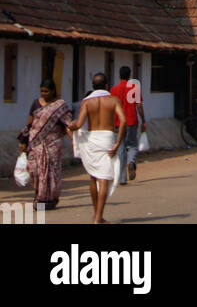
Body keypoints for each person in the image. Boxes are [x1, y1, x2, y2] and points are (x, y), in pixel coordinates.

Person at [66, 72, 126, 224]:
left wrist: (70, 128)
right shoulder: (113, 100)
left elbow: (79, 124)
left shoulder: (87, 102)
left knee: (93, 176)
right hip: (107, 139)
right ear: (107, 85)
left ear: (93, 86)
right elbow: (123, 121)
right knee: (104, 179)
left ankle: (97, 215)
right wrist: (118, 143)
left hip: (92, 140)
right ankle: (98, 217)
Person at [20, 79, 73, 210]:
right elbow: (30, 123)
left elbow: (68, 125)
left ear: (53, 91)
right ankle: (39, 194)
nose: (44, 93)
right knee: (35, 170)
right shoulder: (36, 103)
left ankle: (48, 199)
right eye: (42, 91)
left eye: (46, 91)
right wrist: (23, 141)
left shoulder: (60, 106)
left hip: (53, 144)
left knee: (51, 172)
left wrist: (74, 140)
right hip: (35, 143)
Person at [110, 65, 146, 184]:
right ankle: (131, 161)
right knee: (132, 145)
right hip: (131, 121)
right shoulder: (134, 88)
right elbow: (139, 106)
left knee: (120, 149)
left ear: (119, 76)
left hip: (117, 122)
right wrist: (143, 120)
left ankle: (122, 178)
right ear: (130, 76)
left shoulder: (113, 90)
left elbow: (111, 108)